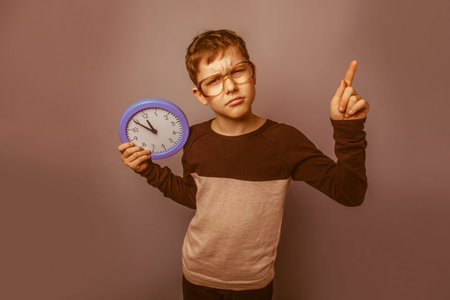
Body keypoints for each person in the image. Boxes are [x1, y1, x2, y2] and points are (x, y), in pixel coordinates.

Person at [118, 29, 369, 300]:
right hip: (196, 275)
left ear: (253, 74)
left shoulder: (285, 141)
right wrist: (149, 171)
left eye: (237, 71)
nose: (229, 87)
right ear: (201, 94)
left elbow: (349, 193)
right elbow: (198, 198)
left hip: (253, 284)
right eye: (213, 80)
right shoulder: (194, 140)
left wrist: (349, 130)